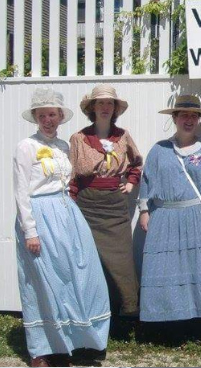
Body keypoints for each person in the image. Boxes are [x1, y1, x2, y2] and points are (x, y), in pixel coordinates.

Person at [12, 88, 111, 367]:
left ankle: (79, 341)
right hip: (39, 214)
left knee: (77, 274)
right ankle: (43, 349)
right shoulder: (26, 146)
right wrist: (30, 230)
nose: (48, 120)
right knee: (43, 281)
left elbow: (68, 183)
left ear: (59, 117)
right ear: (35, 117)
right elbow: (21, 192)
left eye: (52, 114)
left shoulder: (64, 147)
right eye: (42, 115)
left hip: (66, 213)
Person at [136, 96, 201, 329]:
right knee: (168, 266)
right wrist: (143, 210)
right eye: (183, 116)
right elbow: (147, 181)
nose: (189, 120)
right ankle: (169, 320)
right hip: (166, 218)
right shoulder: (159, 150)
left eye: (193, 116)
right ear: (174, 118)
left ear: (199, 119)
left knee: (198, 266)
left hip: (198, 217)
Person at [68, 85, 143, 323]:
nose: (104, 107)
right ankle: (95, 314)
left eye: (109, 103)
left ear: (115, 108)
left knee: (121, 260)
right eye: (100, 103)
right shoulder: (78, 138)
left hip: (114, 206)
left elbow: (136, 163)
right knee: (90, 261)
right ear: (92, 107)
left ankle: (126, 311)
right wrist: (71, 205)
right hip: (86, 205)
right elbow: (70, 176)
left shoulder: (122, 136)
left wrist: (131, 182)